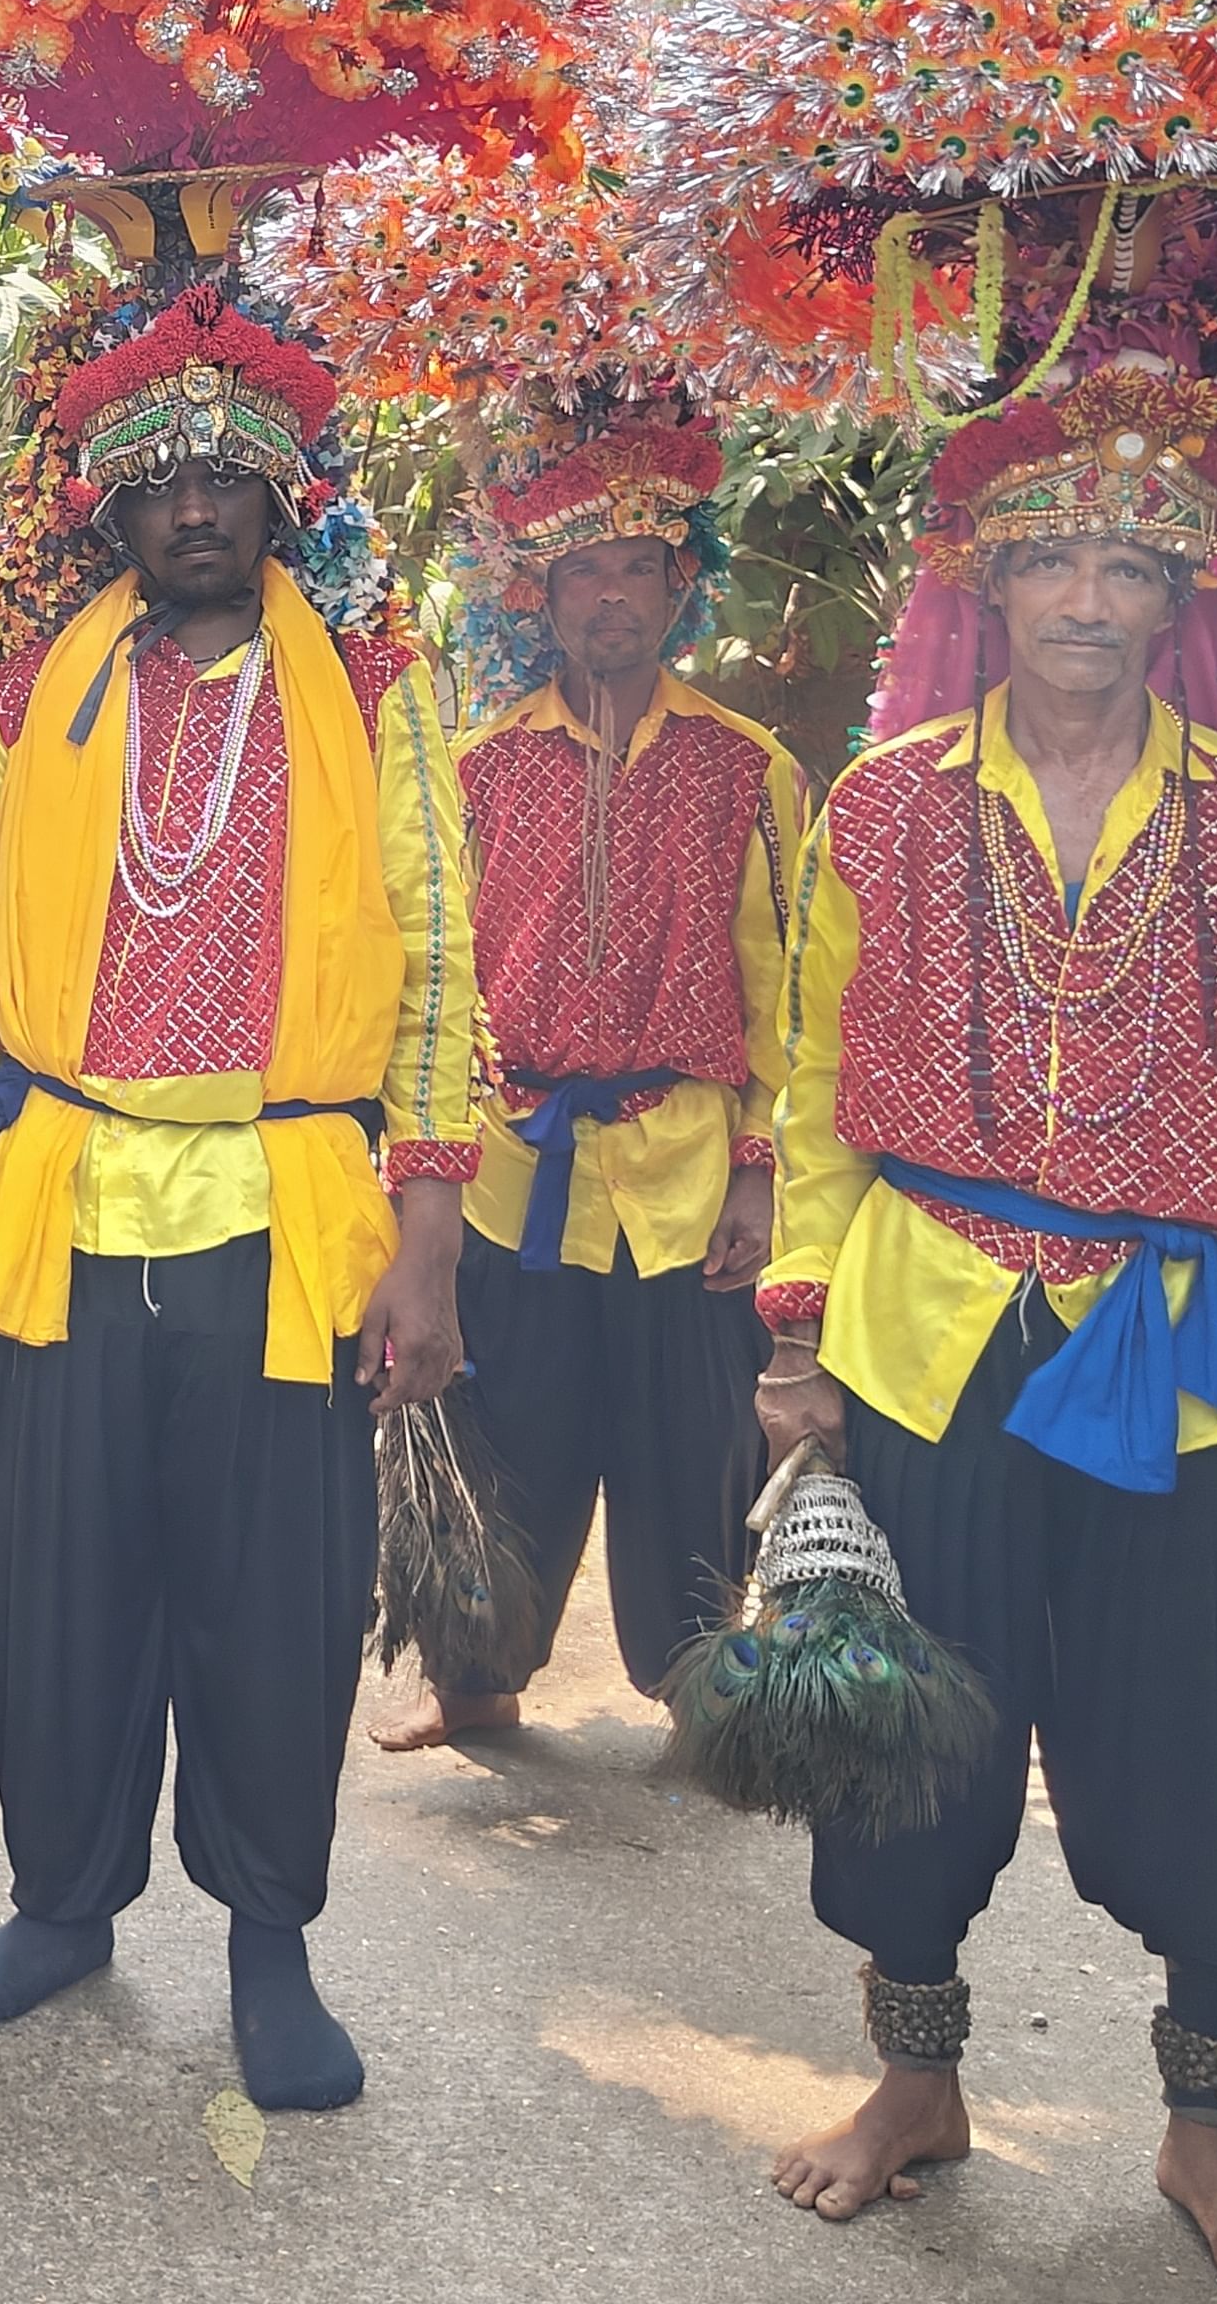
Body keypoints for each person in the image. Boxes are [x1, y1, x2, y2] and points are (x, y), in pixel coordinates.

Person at [756, 366, 1217, 2304]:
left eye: (1127, 564)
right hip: (926, 1318)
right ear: (991, 585)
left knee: (1203, 1732)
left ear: (1174, 598)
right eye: (1053, 563)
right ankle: (912, 2082)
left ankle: (1202, 2138)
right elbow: (809, 1090)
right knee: (908, 1731)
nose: (1088, 599)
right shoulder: (876, 803)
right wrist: (794, 1351)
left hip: (1179, 1342)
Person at [0, 274, 477, 2116]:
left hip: (283, 1210)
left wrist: (432, 1243)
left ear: (283, 496)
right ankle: (62, 1903)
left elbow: (444, 969)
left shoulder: (372, 688)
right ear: (113, 507)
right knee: (53, 1590)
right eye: (162, 478)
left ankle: (268, 1937)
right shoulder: (30, 693)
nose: (199, 504)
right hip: (63, 1195)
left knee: (275, 1599)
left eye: (232, 473)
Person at [369, 420, 804, 1747]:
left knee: (694, 1450)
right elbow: (430, 980)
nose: (610, 595)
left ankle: (694, 1696)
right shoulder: (478, 767)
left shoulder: (752, 772)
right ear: (542, 597)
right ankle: (476, 1689)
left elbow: (786, 992)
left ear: (682, 588)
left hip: (680, 1170)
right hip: (513, 1170)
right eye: (583, 574)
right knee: (505, 1436)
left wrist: (757, 1166)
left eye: (636, 568)